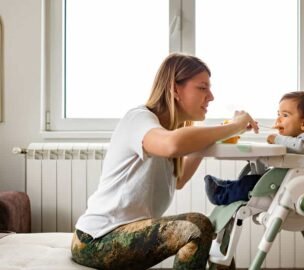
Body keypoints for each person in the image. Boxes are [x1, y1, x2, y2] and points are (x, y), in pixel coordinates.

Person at [71, 53, 259, 270]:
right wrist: (234, 126)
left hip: (126, 232)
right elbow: (172, 145)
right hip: (97, 238)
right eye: (202, 87)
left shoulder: (169, 131)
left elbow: (179, 180)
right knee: (197, 226)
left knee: (218, 250)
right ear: (175, 89)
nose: (211, 96)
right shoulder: (139, 118)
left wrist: (219, 135)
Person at [204, 91, 304, 205]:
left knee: (250, 183)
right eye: (278, 114)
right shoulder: (291, 140)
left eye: (285, 115)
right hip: (278, 180)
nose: (278, 119)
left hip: (285, 186)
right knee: (250, 180)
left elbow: (302, 147)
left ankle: (220, 194)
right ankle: (225, 185)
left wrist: (276, 138)